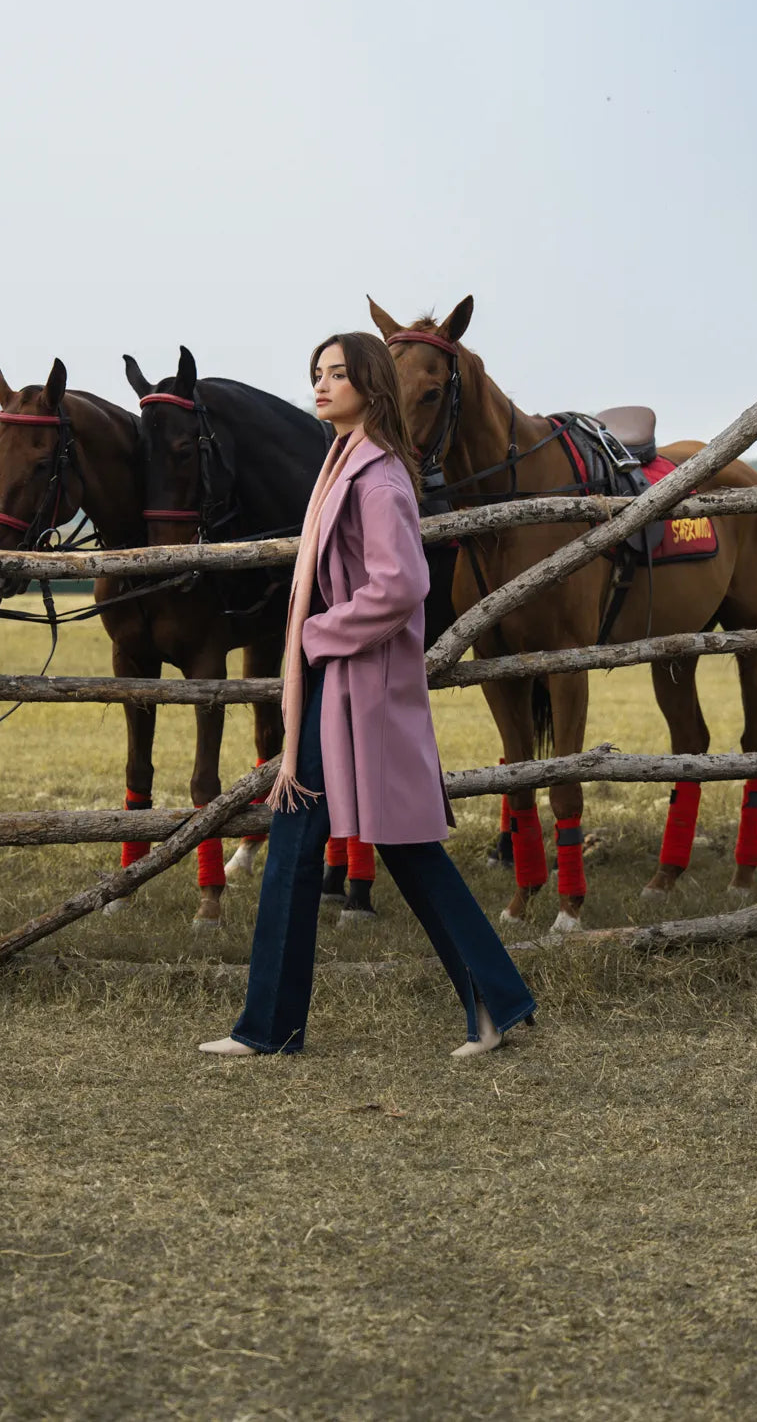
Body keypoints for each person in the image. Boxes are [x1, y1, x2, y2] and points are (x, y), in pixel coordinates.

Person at [199, 332, 536, 1060]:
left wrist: (321, 633)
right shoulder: (344, 461)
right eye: (316, 374)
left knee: (393, 844)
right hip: (344, 685)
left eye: (337, 375)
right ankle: (490, 1002)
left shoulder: (378, 479)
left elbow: (402, 584)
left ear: (371, 385)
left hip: (364, 686)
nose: (320, 386)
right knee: (325, 841)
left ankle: (277, 1027)